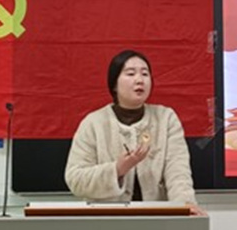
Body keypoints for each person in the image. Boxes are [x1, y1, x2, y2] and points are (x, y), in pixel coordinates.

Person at [64, 49, 202, 213]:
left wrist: (185, 206)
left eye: (145, 74)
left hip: (157, 220)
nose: (140, 80)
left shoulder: (166, 118)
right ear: (114, 84)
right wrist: (117, 169)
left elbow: (178, 173)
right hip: (107, 220)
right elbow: (75, 180)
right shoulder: (93, 123)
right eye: (130, 74)